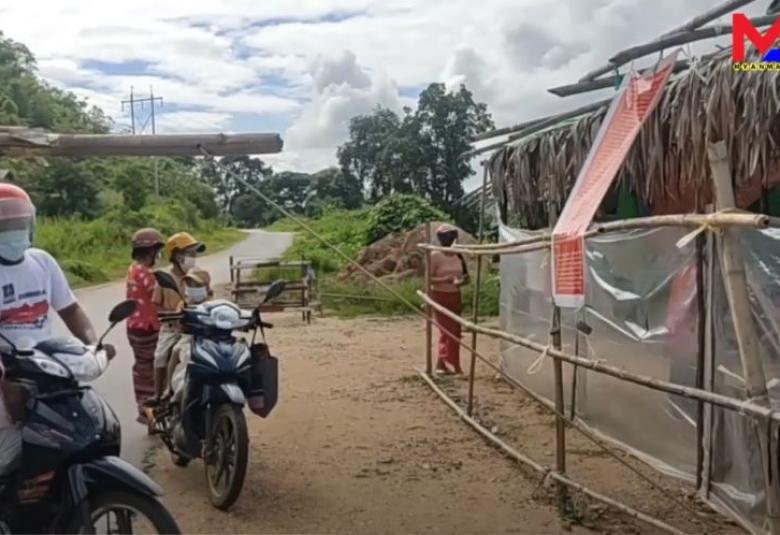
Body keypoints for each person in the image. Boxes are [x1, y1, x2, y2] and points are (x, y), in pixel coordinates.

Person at [0, 183, 115, 475]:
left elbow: (71, 310)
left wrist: (92, 345)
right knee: (9, 458)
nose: (14, 231)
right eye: (5, 226)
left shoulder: (43, 262)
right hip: (9, 377)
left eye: (19, 224)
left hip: (48, 370)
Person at [151, 232, 205, 401]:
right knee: (160, 356)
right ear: (176, 256)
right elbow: (156, 304)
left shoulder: (198, 275)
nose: (193, 258)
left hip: (194, 327)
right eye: (189, 253)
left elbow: (209, 296)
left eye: (194, 254)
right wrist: (172, 315)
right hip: (171, 327)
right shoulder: (165, 279)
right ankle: (158, 393)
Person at [125, 228, 165, 425]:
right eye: (157, 251)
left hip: (135, 326)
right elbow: (159, 297)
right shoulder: (146, 274)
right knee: (152, 369)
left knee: (143, 368)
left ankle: (146, 409)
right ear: (151, 251)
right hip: (148, 328)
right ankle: (150, 410)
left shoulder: (133, 269)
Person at [165, 268, 213, 397]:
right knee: (175, 350)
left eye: (196, 285)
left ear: (206, 286)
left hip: (211, 338)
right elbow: (177, 323)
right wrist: (180, 319)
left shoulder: (212, 303)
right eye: (189, 284)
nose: (192, 287)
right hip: (190, 337)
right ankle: (168, 388)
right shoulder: (183, 304)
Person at [429, 224, 470, 374]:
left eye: (452, 237)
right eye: (446, 237)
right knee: (448, 331)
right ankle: (453, 365)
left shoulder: (458, 255)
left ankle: (443, 364)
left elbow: (467, 278)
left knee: (455, 331)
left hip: (455, 295)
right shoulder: (435, 256)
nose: (450, 240)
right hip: (439, 295)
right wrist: (444, 280)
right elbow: (428, 279)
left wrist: (460, 282)